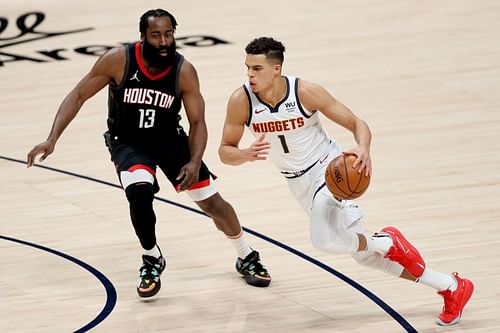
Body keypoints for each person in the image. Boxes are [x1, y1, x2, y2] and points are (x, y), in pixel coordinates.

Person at [218, 36, 473, 326]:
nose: (250, 75)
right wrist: (244, 154)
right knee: (363, 257)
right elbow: (225, 151)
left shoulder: (305, 92)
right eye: (247, 67)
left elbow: (357, 124)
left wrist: (363, 148)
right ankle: (450, 286)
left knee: (323, 240)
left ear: (276, 69)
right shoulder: (241, 101)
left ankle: (386, 241)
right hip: (297, 183)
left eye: (257, 68)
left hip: (329, 171)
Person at [26, 9, 271, 298]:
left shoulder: (184, 71)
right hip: (128, 143)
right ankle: (152, 258)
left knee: (213, 204)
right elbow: (78, 94)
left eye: (169, 34)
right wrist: (52, 138)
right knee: (139, 192)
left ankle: (246, 255)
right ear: (143, 36)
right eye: (156, 35)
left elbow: (197, 122)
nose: (164, 41)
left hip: (170, 142)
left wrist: (193, 162)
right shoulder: (118, 60)